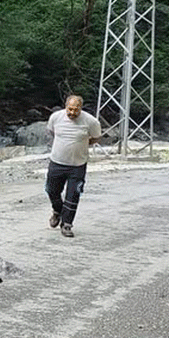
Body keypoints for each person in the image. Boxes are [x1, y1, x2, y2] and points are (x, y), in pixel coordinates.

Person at [45, 95, 101, 238]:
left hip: (77, 165)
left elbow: (95, 138)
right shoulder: (55, 117)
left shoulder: (91, 121)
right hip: (57, 162)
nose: (72, 113)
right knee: (51, 190)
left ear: (81, 109)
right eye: (70, 109)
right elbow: (52, 132)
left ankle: (67, 224)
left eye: (76, 110)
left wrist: (81, 144)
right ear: (65, 106)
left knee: (73, 194)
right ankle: (57, 211)